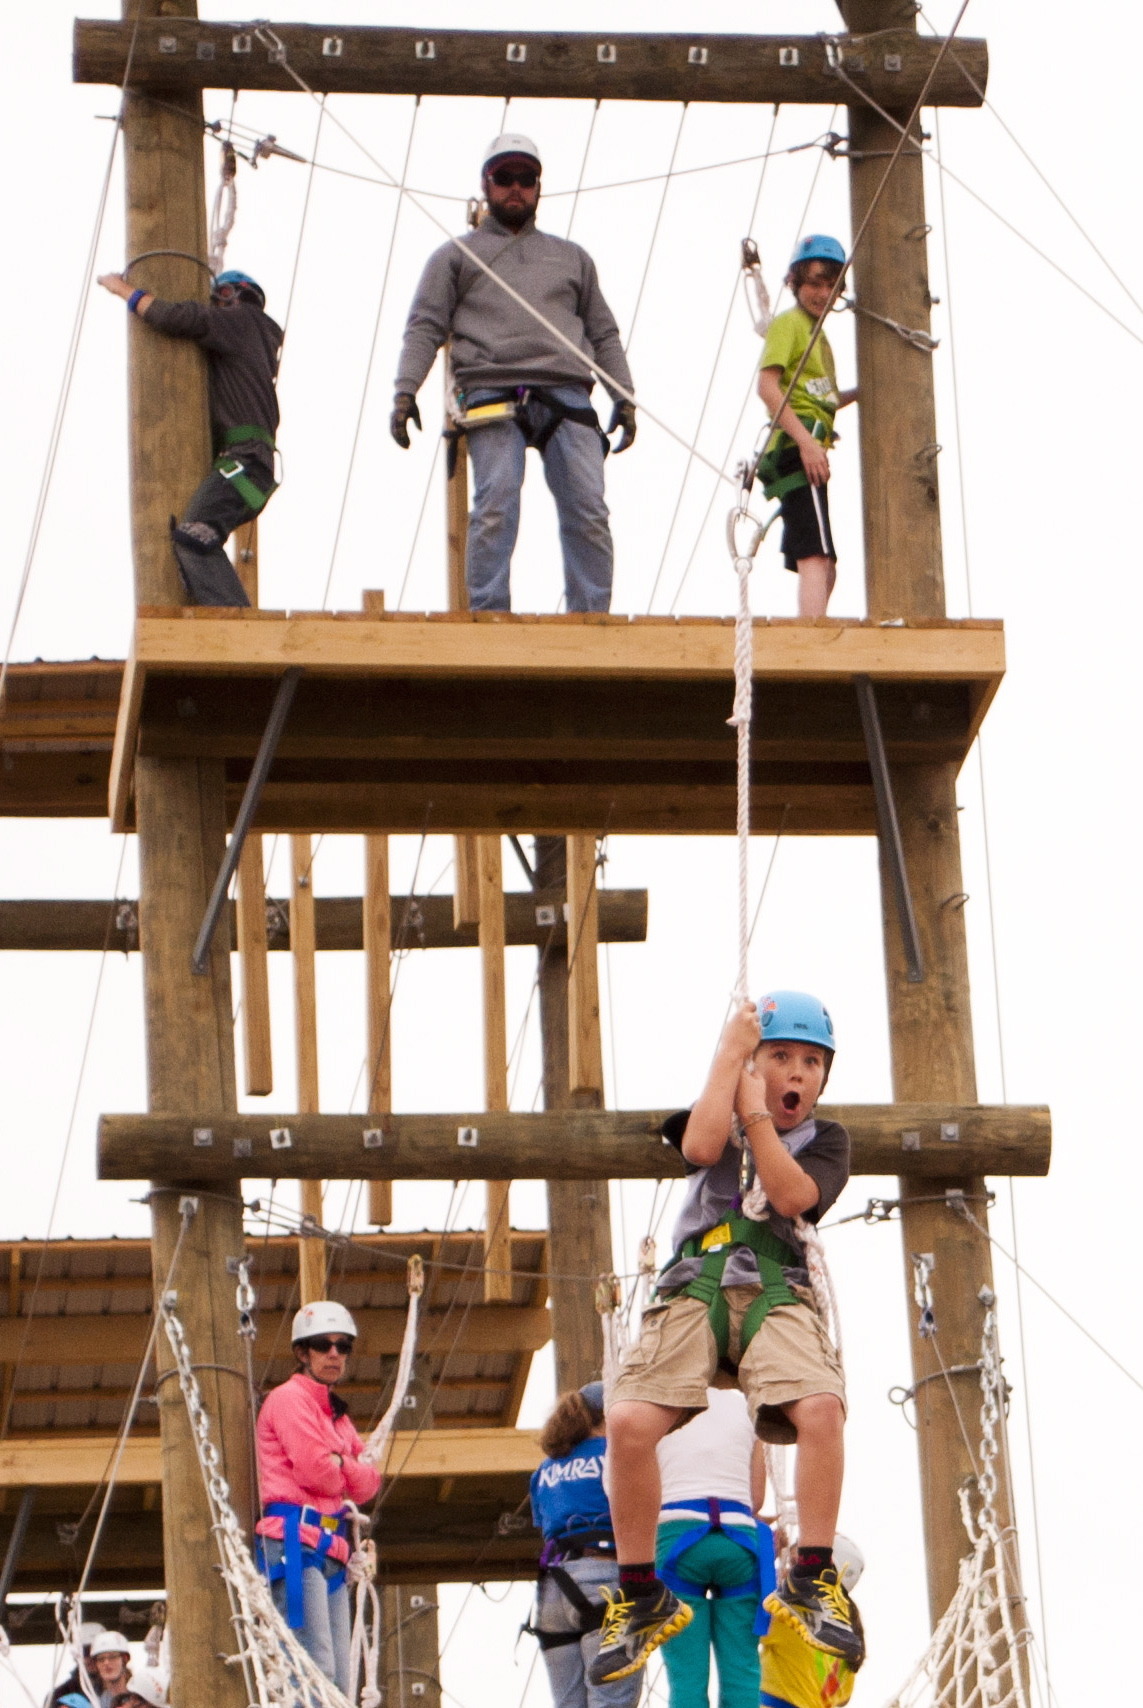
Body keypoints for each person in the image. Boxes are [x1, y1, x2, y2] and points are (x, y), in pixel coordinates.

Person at [590, 989, 860, 1685]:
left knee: (821, 1408)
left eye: (811, 1063)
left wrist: (758, 1117)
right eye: (780, 1057)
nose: (795, 1072)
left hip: (775, 1286)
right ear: (752, 1062)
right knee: (627, 1421)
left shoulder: (826, 1140)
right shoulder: (719, 1107)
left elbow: (792, 1197)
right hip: (696, 1283)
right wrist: (727, 1059)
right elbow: (700, 1147)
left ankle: (813, 1574)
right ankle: (638, 1590)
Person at [391, 133, 636, 613]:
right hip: (491, 387)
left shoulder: (572, 258)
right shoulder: (456, 257)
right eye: (505, 178)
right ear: (486, 185)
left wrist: (623, 396)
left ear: (539, 187)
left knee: (589, 508)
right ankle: (489, 615)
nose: (516, 188)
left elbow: (603, 333)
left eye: (527, 178)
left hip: (565, 389)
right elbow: (424, 326)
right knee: (496, 503)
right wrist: (405, 392)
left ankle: (592, 619)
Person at [97, 266, 282, 606]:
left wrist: (121, 289)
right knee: (199, 536)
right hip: (248, 462)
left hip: (245, 459)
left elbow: (176, 318)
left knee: (194, 537)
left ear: (236, 296)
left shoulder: (242, 322)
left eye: (219, 298)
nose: (215, 306)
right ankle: (228, 615)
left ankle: (235, 622)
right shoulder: (251, 342)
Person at [255, 1300, 381, 1693]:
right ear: (302, 1352)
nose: (334, 1353)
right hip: (294, 1544)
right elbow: (317, 1473)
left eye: (343, 1346)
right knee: (313, 1669)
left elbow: (369, 1484)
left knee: (339, 1681)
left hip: (330, 1551)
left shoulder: (336, 1415)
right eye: (324, 1345)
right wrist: (345, 1464)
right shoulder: (289, 1399)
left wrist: (338, 1462)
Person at [755, 236, 857, 619]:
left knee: (824, 563)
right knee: (817, 557)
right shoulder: (790, 324)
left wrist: (864, 392)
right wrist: (806, 442)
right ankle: (812, 636)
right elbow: (768, 386)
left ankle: (812, 628)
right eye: (814, 282)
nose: (823, 293)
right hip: (796, 448)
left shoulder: (818, 335)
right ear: (795, 282)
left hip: (807, 447)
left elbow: (822, 398)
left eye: (831, 285)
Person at [654, 1387, 772, 1708]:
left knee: (686, 1678)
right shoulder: (748, 1407)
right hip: (738, 1539)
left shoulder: (659, 1401)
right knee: (742, 1670)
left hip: (678, 1539)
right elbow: (756, 1498)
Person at [527, 1381, 638, 1708]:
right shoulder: (615, 1456)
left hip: (553, 1590)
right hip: (603, 1578)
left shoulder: (545, 1470)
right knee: (612, 1700)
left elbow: (547, 1525)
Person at [759, 1535, 864, 1708]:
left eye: (794, 1565)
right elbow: (844, 1698)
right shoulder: (848, 1631)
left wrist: (767, 1555)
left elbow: (742, 1618)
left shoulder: (791, 1614)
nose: (789, 1572)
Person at [48, 1621, 105, 1707]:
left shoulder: (122, 1689)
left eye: (96, 1653)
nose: (90, 1658)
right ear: (76, 1655)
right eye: (85, 1652)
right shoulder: (60, 1694)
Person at [89, 1633, 132, 1708]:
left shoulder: (140, 1698)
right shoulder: (96, 1703)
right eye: (101, 1659)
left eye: (112, 1657)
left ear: (125, 1659)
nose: (106, 1663)